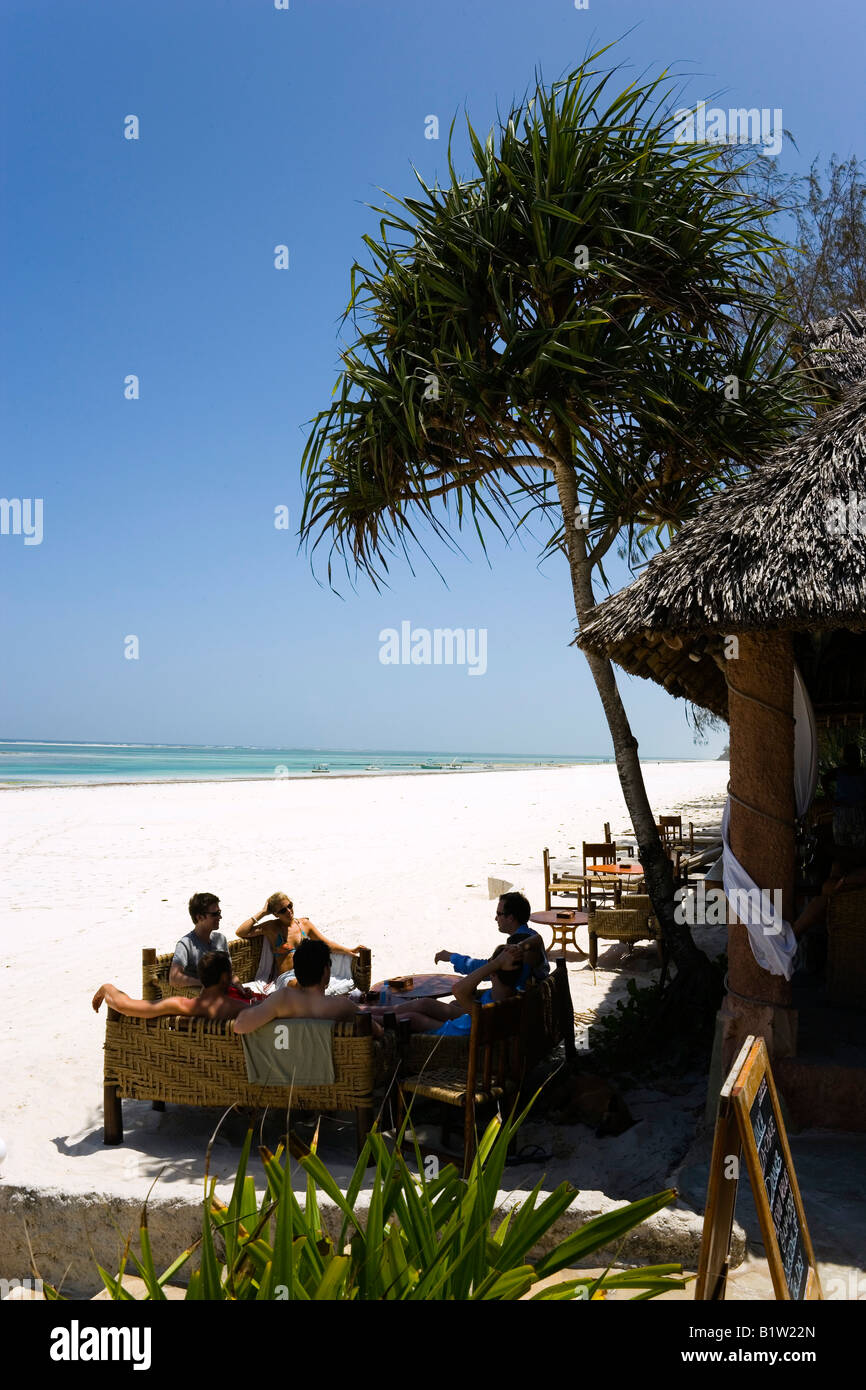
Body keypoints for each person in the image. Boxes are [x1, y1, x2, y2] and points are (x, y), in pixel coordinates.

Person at [232, 938, 380, 1035]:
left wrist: (259, 1006)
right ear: (326, 971)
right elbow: (377, 1032)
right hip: (328, 1078)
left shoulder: (282, 1000)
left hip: (287, 1077)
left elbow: (239, 1026)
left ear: (296, 972)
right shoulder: (341, 1006)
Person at [371, 944, 523, 1036]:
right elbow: (537, 941)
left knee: (413, 1017)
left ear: (493, 972)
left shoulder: (492, 1009)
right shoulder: (511, 993)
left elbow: (458, 989)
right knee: (425, 1004)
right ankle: (371, 1010)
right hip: (468, 1021)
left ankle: (367, 1018)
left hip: (455, 1035)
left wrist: (496, 963)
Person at [235, 892, 365, 990]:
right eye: (282, 910)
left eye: (289, 906)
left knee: (314, 985)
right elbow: (241, 932)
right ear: (275, 914)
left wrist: (349, 950)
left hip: (308, 972)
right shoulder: (272, 928)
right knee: (304, 988)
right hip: (288, 978)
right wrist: (262, 912)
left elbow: (326, 943)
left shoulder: (304, 924)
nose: (289, 911)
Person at [93, 951, 258, 1024]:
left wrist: (107, 988)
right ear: (224, 978)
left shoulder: (182, 1005)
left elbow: (124, 1005)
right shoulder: (240, 1008)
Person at [434, 892, 548, 989]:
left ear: (511, 918)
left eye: (499, 914)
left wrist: (452, 957)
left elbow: (487, 969)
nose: (495, 918)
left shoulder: (516, 945)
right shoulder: (532, 935)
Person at [169, 893, 248, 994]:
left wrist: (239, 987)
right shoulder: (186, 944)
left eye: (219, 912)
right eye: (215, 914)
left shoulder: (220, 939)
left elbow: (229, 973)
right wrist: (205, 983)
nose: (220, 917)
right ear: (199, 917)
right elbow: (174, 979)